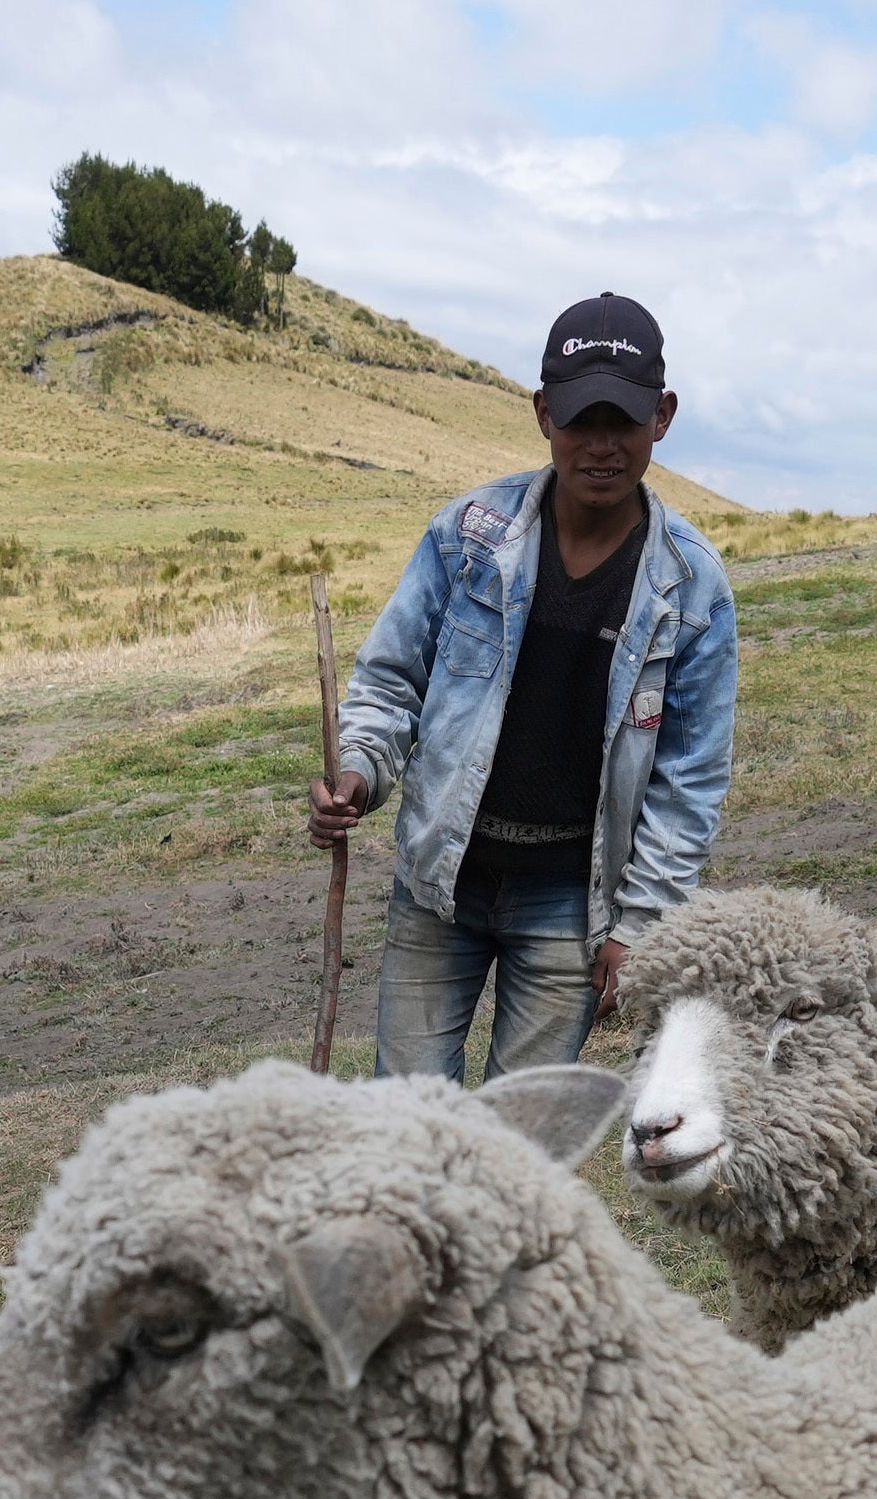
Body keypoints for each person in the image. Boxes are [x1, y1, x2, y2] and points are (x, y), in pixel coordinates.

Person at [315, 293, 739, 1081]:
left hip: (568, 907)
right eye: (581, 419)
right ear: (544, 412)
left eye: (624, 420)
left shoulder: (691, 586)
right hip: (439, 879)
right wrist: (358, 771)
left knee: (526, 1139)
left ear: (663, 416)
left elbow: (688, 782)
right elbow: (388, 681)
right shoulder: (466, 534)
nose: (602, 445)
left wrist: (638, 923)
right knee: (407, 1123)